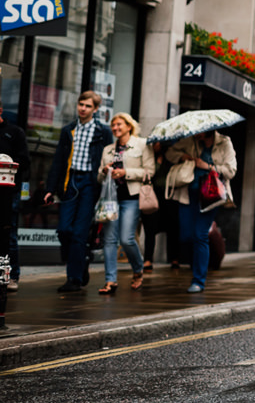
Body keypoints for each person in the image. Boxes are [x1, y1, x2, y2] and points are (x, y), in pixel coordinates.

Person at [42, 91, 113, 293]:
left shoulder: (102, 131)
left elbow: (108, 158)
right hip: (70, 181)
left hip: (90, 183)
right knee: (64, 229)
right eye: (81, 104)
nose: (83, 108)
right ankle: (82, 260)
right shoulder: (68, 130)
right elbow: (58, 161)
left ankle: (73, 278)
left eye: (88, 106)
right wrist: (50, 189)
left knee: (80, 233)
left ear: (96, 109)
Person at [165, 129, 236, 292]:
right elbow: (170, 152)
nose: (196, 134)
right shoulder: (191, 141)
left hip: (211, 197)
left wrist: (208, 166)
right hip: (188, 195)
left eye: (200, 132)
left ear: (207, 132)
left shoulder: (224, 142)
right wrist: (183, 157)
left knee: (200, 235)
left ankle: (198, 280)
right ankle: (198, 264)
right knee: (186, 235)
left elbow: (231, 171)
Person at [96, 113, 152, 294]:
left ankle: (138, 269)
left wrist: (125, 172)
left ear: (129, 126)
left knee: (127, 239)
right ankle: (110, 281)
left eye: (119, 124)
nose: (115, 128)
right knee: (109, 240)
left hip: (132, 198)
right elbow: (98, 176)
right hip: (111, 199)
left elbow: (149, 172)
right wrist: (105, 171)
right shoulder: (107, 149)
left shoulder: (142, 145)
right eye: (113, 125)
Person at [0, 106, 28, 290]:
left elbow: (24, 161)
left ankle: (9, 276)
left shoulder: (14, 132)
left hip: (7, 193)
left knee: (7, 234)